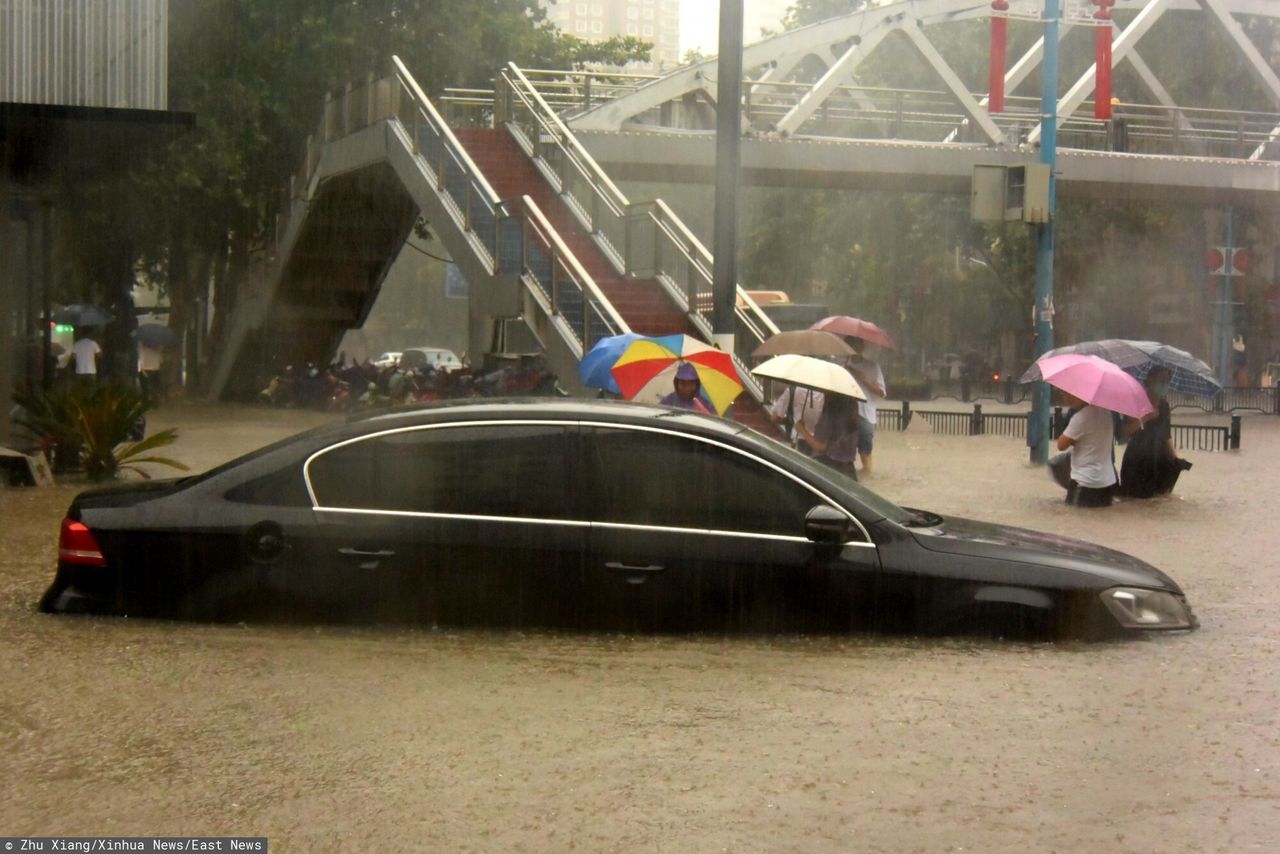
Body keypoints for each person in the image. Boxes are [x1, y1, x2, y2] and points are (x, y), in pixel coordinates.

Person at [1118, 367, 1192, 498]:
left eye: (1166, 381)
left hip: (1158, 459)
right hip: (1137, 459)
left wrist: (1175, 459)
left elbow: (1166, 435)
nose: (1163, 385)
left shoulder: (1164, 405)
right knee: (1134, 500)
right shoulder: (1135, 401)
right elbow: (1125, 433)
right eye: (1160, 380)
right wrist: (1146, 417)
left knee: (1157, 500)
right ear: (1149, 381)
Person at [1055, 393, 1117, 507]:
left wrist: (1073, 440)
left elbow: (1061, 445)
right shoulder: (1106, 413)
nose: (1066, 396)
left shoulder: (1079, 418)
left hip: (1084, 483)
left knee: (1074, 522)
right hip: (1107, 484)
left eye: (1071, 393)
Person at [843, 338, 886, 475]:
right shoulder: (843, 367)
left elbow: (882, 393)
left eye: (856, 346)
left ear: (861, 348)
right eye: (850, 347)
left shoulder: (872, 367)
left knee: (865, 451)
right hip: (846, 413)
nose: (853, 350)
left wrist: (864, 380)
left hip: (865, 414)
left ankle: (867, 475)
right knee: (844, 452)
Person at [795, 392, 859, 480]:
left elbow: (821, 446)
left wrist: (802, 429)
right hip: (848, 470)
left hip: (829, 469)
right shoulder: (853, 415)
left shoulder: (830, 415)